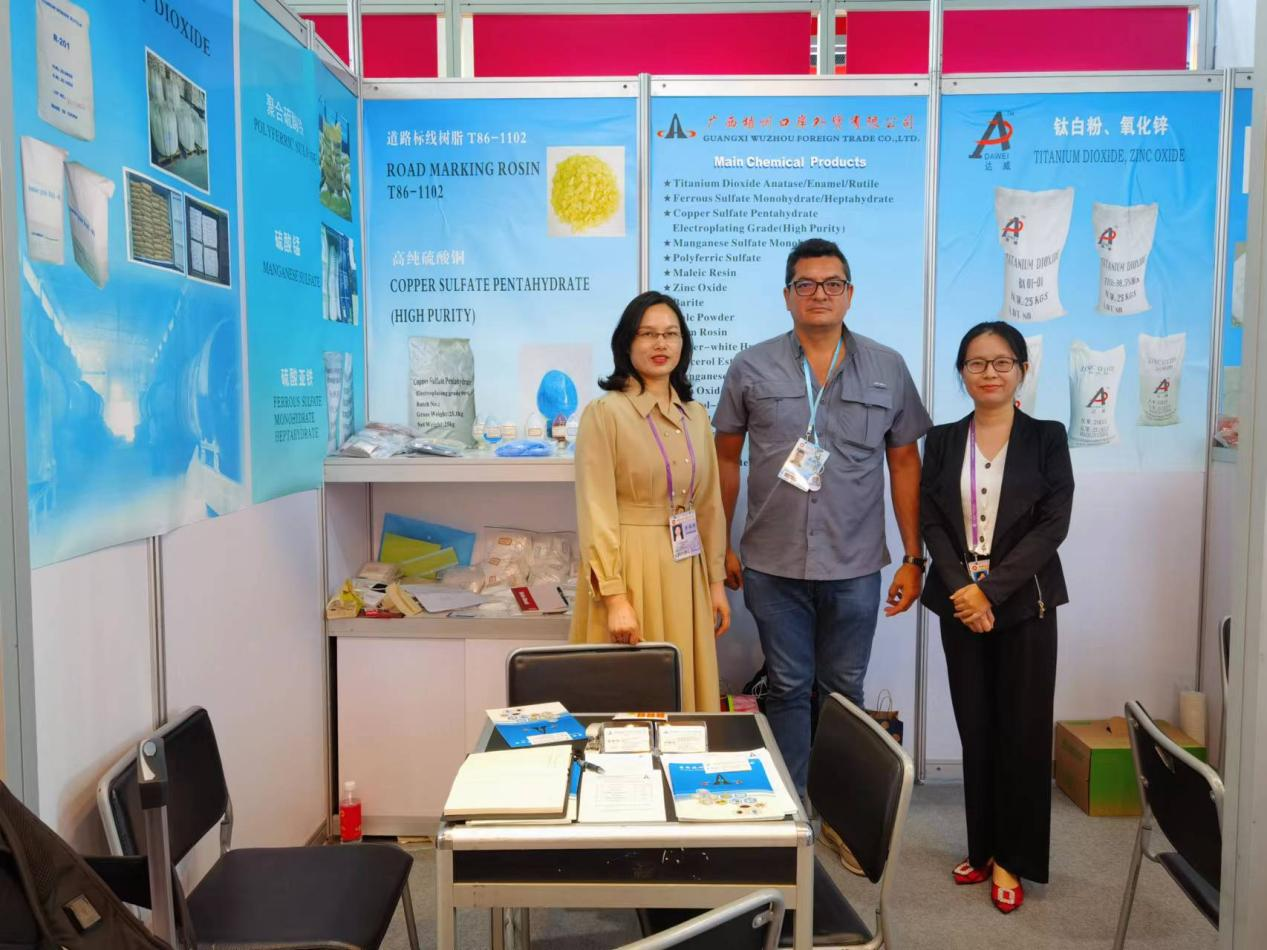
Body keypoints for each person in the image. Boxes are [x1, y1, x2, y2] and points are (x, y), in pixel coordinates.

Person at [713, 238, 931, 795]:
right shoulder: (750, 366)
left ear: (849, 294)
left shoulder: (887, 366)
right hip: (772, 562)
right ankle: (794, 808)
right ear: (787, 296)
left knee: (844, 690)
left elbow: (905, 463)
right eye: (805, 284)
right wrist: (721, 546)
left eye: (832, 284)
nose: (819, 294)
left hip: (854, 564)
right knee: (787, 686)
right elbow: (725, 459)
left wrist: (914, 558)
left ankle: (840, 810)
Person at [920, 322, 1074, 915]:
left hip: (1025, 603)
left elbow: (1052, 525)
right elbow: (932, 520)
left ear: (1022, 371)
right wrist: (964, 590)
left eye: (1002, 362)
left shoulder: (1047, 437)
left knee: (1022, 732)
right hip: (960, 603)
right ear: (961, 372)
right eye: (976, 363)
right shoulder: (941, 439)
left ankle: (1014, 857)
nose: (989, 373)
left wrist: (990, 593)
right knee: (977, 728)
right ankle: (982, 847)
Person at [572, 290, 731, 712]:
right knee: (631, 695)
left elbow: (709, 505)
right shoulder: (605, 413)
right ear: (626, 342)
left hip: (686, 568)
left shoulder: (696, 415)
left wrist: (715, 584)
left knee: (682, 692)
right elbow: (596, 510)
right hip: (630, 568)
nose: (660, 344)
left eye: (670, 334)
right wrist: (614, 597)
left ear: (683, 343)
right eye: (647, 334)